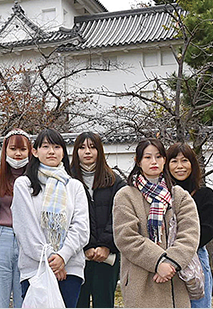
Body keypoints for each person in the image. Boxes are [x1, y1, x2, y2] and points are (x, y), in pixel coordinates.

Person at [113, 138, 200, 308]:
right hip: (141, 280)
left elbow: (190, 234)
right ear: (138, 161)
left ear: (164, 160)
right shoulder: (125, 195)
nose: (154, 162)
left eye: (159, 157)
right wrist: (158, 261)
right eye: (147, 157)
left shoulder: (179, 195)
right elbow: (126, 237)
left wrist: (171, 262)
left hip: (175, 279)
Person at [13, 129, 90, 308]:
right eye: (45, 146)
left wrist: (63, 257)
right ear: (35, 151)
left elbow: (81, 227)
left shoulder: (74, 186)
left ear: (63, 152)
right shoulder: (24, 184)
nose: (51, 152)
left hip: (70, 267)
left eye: (56, 147)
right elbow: (26, 229)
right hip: (36, 268)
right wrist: (52, 261)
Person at [70, 132, 127, 308]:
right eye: (82, 147)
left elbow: (120, 216)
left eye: (92, 147)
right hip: (77, 254)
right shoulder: (67, 180)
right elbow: (68, 217)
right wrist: (86, 246)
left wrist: (106, 245)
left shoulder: (115, 181)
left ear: (100, 151)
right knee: (78, 302)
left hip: (108, 255)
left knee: (105, 302)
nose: (87, 152)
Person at [166, 143, 213, 308]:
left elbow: (208, 230)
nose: (179, 166)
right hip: (163, 260)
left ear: (193, 165)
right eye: (174, 161)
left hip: (194, 257)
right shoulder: (160, 197)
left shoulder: (205, 194)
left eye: (185, 161)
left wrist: (180, 250)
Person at [0, 128, 33, 308]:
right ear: (5, 150)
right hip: (0, 236)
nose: (18, 154)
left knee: (26, 296)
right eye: (13, 149)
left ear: (30, 151)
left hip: (27, 239)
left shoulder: (36, 178)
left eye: (22, 149)